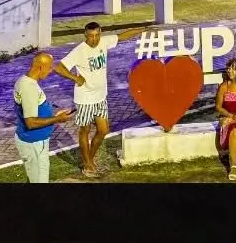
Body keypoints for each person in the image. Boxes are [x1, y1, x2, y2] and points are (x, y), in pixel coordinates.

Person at [54, 21, 148, 178]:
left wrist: (144, 29)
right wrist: (75, 78)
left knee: (103, 130)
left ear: (100, 33)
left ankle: (89, 158)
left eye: (97, 35)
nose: (94, 39)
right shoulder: (79, 51)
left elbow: (122, 36)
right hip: (84, 99)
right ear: (85, 35)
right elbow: (59, 67)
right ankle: (87, 163)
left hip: (101, 97)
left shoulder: (104, 42)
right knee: (85, 131)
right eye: (91, 36)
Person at [13, 53, 73, 183]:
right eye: (50, 67)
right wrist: (57, 119)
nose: (51, 71)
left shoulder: (27, 81)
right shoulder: (29, 87)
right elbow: (31, 123)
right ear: (41, 67)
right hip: (33, 143)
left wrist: (54, 115)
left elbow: (36, 109)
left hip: (35, 142)